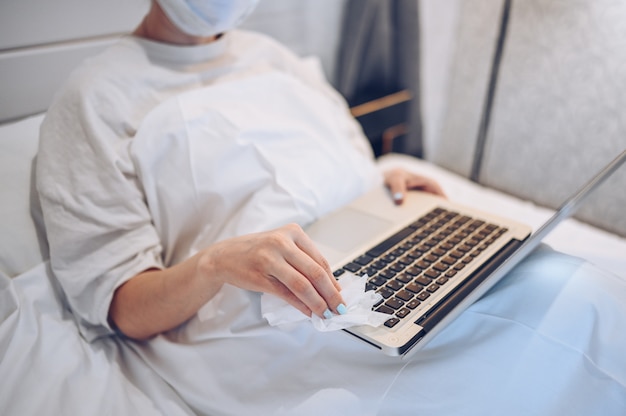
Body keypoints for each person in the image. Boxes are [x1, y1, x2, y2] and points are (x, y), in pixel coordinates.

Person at [36, 1, 626, 415]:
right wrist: (216, 262)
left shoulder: (275, 57)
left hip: (379, 251)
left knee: (590, 296)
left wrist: (381, 180)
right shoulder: (95, 97)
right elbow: (121, 305)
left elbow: (337, 153)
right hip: (272, 317)